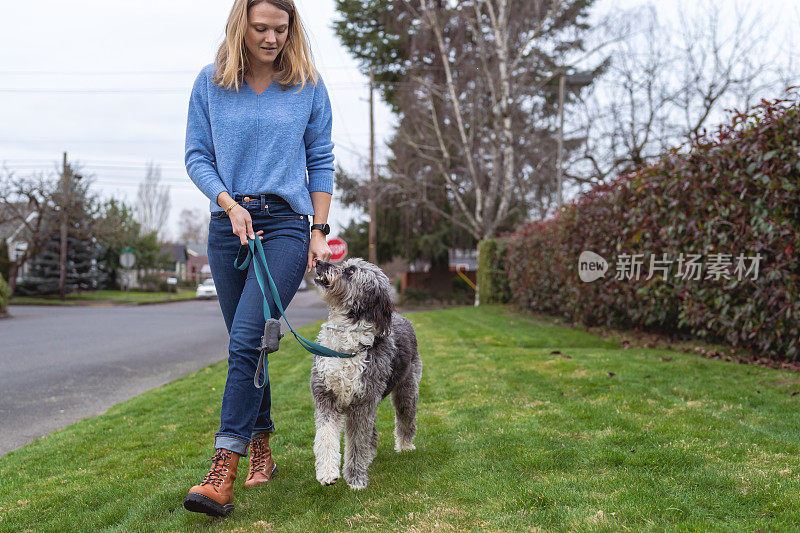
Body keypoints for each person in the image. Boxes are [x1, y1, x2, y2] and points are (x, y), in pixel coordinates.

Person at [182, 0, 334, 517]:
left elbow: (320, 160)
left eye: (281, 28)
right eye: (261, 28)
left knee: (247, 338)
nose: (271, 38)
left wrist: (319, 230)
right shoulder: (211, 82)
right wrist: (227, 203)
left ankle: (222, 467)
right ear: (240, 26)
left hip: (287, 227)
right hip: (229, 228)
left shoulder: (308, 84)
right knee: (246, 343)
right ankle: (263, 441)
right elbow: (197, 156)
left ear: (293, 29)